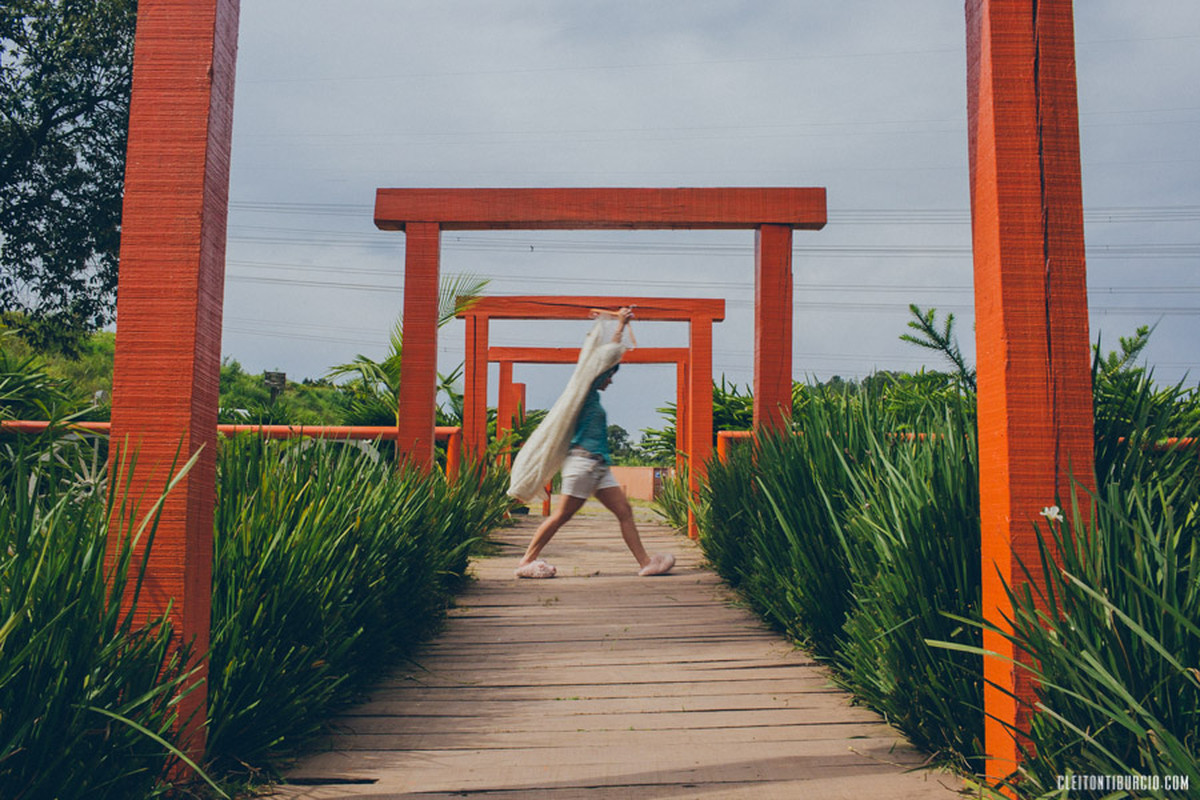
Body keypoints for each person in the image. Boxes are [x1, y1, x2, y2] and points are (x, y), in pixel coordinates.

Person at [515, 307, 675, 579]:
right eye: (610, 375)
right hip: (583, 464)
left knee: (624, 511)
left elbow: (604, 363)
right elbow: (602, 360)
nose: (611, 380)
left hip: (598, 467)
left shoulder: (594, 399)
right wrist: (620, 326)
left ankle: (645, 563)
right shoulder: (586, 391)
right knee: (562, 515)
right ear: (601, 374)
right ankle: (526, 562)